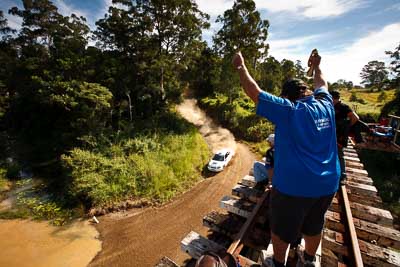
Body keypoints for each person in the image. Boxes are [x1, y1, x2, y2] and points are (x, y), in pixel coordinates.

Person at [232, 51, 339, 267]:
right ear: (307, 92)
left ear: (288, 96)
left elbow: (255, 92)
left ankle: (277, 262)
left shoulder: (289, 110)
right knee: (314, 224)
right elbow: (322, 82)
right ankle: (308, 260)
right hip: (328, 183)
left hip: (293, 187)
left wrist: (241, 67)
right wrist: (317, 66)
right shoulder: (326, 104)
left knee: (281, 230)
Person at [330, 90, 369, 184]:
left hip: (340, 135)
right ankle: (333, 173)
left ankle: (342, 176)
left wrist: (348, 128)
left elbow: (355, 118)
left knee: (339, 154)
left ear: (333, 98)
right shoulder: (332, 106)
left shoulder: (343, 107)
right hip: (332, 134)